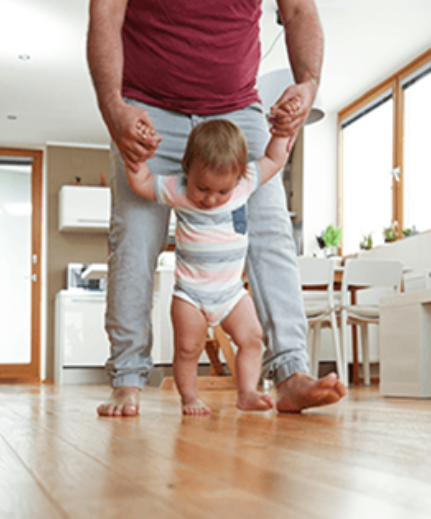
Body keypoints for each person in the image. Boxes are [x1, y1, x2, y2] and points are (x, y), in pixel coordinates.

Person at [87, 0, 347, 417]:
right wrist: (112, 105)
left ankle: (291, 372)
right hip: (148, 106)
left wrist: (309, 83)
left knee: (272, 233)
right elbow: (105, 14)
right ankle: (127, 380)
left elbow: (298, 11)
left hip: (237, 109)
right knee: (133, 241)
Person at [125, 108, 298, 414]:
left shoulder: (244, 184)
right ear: (187, 170)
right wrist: (137, 157)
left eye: (222, 191)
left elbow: (273, 160)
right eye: (202, 188)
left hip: (231, 292)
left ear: (238, 177)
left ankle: (246, 392)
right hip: (190, 294)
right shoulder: (177, 188)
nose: (211, 199)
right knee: (188, 349)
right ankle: (189, 397)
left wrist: (283, 133)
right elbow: (141, 184)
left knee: (252, 337)